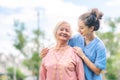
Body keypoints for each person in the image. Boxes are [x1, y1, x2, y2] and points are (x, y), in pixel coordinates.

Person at [68, 8, 106, 80]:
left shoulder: (100, 46)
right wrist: (49, 51)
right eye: (78, 27)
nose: (78, 30)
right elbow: (63, 46)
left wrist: (83, 56)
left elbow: (97, 71)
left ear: (91, 28)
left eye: (81, 28)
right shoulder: (76, 38)